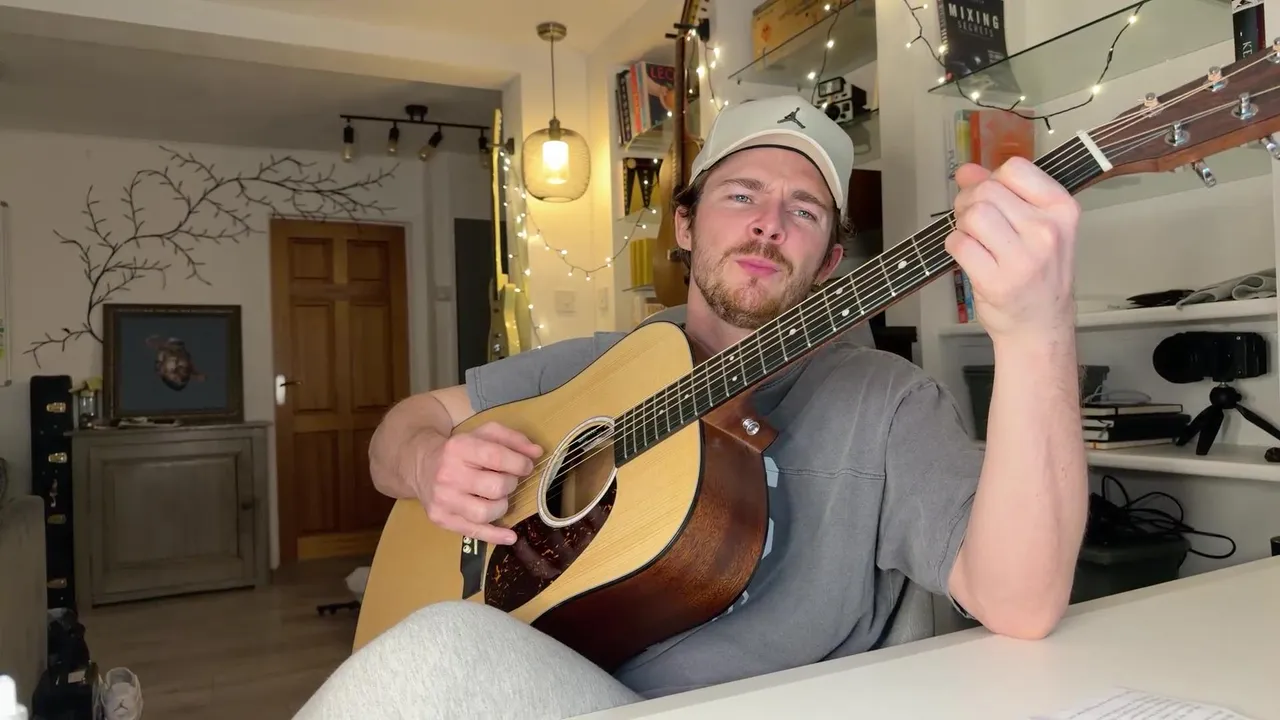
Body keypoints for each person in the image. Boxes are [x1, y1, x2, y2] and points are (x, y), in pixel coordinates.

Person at [293, 94, 1088, 719]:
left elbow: (1020, 602)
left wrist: (1037, 329)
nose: (768, 224)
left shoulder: (889, 401)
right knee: (436, 649)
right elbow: (401, 430)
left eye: (804, 212)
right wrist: (429, 462)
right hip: (547, 674)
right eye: (741, 195)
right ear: (685, 224)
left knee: (436, 650)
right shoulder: (607, 363)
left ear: (829, 262)